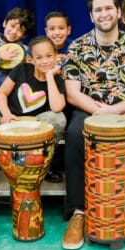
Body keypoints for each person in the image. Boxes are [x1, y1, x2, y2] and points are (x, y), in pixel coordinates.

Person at [61, 0, 125, 250]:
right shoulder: (77, 47)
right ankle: (79, 212)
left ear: (117, 12)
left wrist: (116, 111)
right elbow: (72, 93)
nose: (104, 14)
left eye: (108, 9)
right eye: (98, 10)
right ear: (91, 16)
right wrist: (98, 112)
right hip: (90, 107)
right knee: (74, 133)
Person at [0, 36, 66, 182]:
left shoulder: (57, 79)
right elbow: (1, 93)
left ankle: (44, 164)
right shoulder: (21, 69)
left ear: (56, 56)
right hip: (10, 121)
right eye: (39, 57)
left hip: (35, 128)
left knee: (58, 118)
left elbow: (57, 107)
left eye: (49, 56)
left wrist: (49, 77)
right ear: (31, 59)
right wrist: (6, 113)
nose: (45, 61)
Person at [43, 11, 73, 183]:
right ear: (46, 31)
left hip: (67, 96)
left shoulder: (75, 47)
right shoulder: (40, 48)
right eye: (52, 29)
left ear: (68, 30)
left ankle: (55, 164)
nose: (57, 32)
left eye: (61, 28)